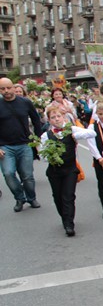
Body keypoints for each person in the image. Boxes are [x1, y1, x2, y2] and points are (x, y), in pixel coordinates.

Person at [40, 106, 95, 236]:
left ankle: (69, 223)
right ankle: (64, 217)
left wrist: (75, 134)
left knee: (68, 196)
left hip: (70, 169)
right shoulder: (46, 136)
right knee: (58, 197)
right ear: (49, 120)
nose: (56, 119)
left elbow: (92, 133)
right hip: (54, 171)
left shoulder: (71, 129)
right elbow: (42, 157)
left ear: (63, 117)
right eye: (53, 117)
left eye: (58, 116)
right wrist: (50, 154)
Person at [0, 77, 44, 212]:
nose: (6, 91)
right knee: (8, 173)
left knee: (27, 175)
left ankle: (31, 198)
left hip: (25, 144)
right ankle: (19, 198)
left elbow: (37, 120)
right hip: (5, 147)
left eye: (8, 87)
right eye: (2, 89)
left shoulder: (25, 102)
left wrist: (37, 138)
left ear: (14, 88)